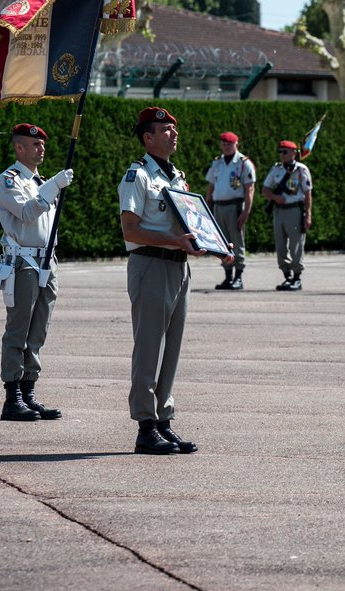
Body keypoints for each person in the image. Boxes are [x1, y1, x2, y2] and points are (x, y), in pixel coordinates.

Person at [120, 106, 223, 454]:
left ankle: (164, 420)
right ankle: (145, 426)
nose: (173, 134)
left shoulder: (176, 177)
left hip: (179, 266)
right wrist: (175, 242)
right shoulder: (138, 176)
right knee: (149, 347)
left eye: (174, 129)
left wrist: (215, 245)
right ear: (148, 138)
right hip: (150, 265)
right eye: (165, 130)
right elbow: (130, 229)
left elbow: (191, 225)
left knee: (172, 349)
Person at [0, 124, 73, 422]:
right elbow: (27, 213)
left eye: (42, 144)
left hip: (46, 262)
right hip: (23, 263)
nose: (41, 148)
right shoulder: (8, 180)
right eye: (34, 144)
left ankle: (28, 392)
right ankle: (12, 396)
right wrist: (52, 186)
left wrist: (49, 184)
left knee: (38, 330)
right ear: (19, 148)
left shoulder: (39, 180)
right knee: (19, 330)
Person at [205, 132, 256, 290]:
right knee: (222, 243)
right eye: (224, 144)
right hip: (219, 206)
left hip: (235, 206)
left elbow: (250, 189)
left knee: (237, 241)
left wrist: (246, 212)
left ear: (236, 145)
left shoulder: (243, 163)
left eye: (229, 144)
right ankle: (228, 277)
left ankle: (238, 277)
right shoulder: (218, 163)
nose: (226, 147)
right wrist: (208, 207)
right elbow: (211, 186)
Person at [262, 140, 313, 291]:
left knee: (296, 244)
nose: (282, 155)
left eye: (285, 152)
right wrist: (275, 197)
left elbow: (308, 194)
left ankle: (297, 277)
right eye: (280, 151)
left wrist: (308, 215)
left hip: (294, 210)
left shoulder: (301, 170)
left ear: (293, 153)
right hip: (279, 210)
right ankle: (287, 276)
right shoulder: (276, 169)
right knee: (280, 244)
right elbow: (265, 189)